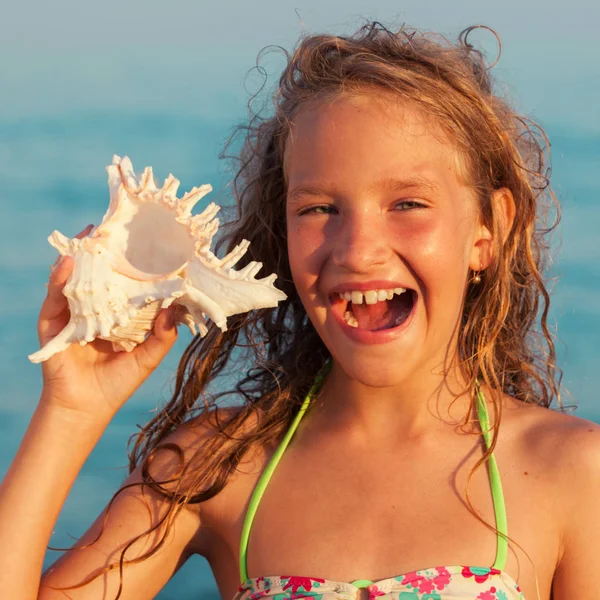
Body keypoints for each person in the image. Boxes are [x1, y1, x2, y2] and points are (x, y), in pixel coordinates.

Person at [1, 20, 598, 600]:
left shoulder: (570, 472)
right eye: (318, 209)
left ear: (487, 230)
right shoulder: (219, 465)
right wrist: (71, 410)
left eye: (408, 203)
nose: (358, 250)